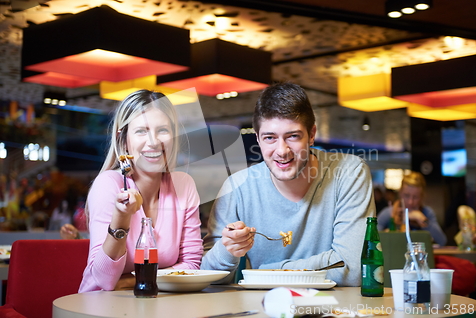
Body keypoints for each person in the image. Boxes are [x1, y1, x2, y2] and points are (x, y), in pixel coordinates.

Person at [201, 82, 375, 286]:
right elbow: (207, 277)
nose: (282, 150)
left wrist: (264, 273)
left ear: (311, 135)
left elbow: (352, 269)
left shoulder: (349, 173)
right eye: (270, 138)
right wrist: (226, 250)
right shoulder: (237, 187)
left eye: (292, 136)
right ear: (257, 138)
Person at [79, 90, 203, 292]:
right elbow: (105, 281)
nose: (153, 142)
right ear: (124, 139)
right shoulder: (108, 185)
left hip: (160, 305)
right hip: (101, 308)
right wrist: (121, 218)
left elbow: (191, 266)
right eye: (141, 131)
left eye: (162, 130)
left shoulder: (184, 185)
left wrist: (129, 280)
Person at [377, 171, 447, 246]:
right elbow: (371, 238)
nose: (411, 202)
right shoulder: (388, 213)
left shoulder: (427, 212)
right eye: (407, 196)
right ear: (400, 193)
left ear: (422, 197)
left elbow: (442, 241)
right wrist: (386, 234)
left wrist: (423, 220)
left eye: (415, 197)